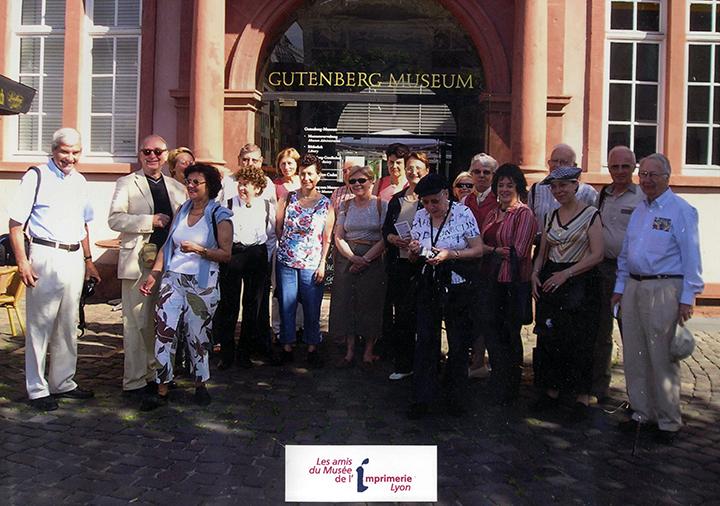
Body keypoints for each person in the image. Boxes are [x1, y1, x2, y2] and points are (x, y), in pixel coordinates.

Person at [7, 127, 100, 411]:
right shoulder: (36, 176)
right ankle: (37, 388)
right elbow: (15, 225)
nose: (69, 158)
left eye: (75, 153)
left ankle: (63, 382)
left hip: (73, 256)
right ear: (54, 150)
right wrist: (23, 261)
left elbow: (83, 224)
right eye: (64, 152)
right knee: (40, 325)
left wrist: (88, 260)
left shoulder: (81, 181)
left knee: (68, 324)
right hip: (45, 254)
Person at [612, 153, 703, 443]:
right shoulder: (639, 210)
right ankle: (642, 413)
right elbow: (626, 253)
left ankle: (667, 421)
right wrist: (619, 286)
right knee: (635, 355)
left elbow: (692, 256)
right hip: (634, 287)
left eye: (654, 175)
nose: (648, 180)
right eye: (644, 175)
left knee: (662, 357)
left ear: (667, 177)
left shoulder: (681, 211)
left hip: (664, 288)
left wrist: (688, 296)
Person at [139, 163, 232, 410]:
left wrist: (199, 249)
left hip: (202, 284)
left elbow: (226, 254)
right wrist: (155, 274)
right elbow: (168, 245)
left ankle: (200, 384)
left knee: (197, 336)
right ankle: (162, 387)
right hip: (173, 279)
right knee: (164, 332)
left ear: (209, 186)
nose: (190, 186)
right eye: (188, 181)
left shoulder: (219, 215)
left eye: (196, 182)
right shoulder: (181, 210)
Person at [108, 135, 188, 398]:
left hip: (169, 264)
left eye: (158, 151)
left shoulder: (177, 187)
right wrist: (149, 220)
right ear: (140, 154)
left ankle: (159, 374)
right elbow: (115, 219)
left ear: (166, 155)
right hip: (138, 263)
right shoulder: (126, 183)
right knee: (137, 322)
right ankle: (134, 381)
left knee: (164, 322)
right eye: (147, 151)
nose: (152, 156)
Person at [407, 173, 485, 419]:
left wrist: (451, 254)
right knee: (426, 341)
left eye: (434, 202)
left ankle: (456, 398)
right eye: (425, 202)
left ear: (446, 195)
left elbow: (478, 249)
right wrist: (414, 250)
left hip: (457, 284)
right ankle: (423, 398)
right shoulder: (420, 216)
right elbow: (414, 256)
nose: (430, 207)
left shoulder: (463, 214)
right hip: (429, 282)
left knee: (458, 343)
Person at [531, 166, 604, 421]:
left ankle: (581, 397)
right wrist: (534, 274)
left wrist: (567, 274)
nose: (559, 191)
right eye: (554, 187)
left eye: (564, 185)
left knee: (579, 339)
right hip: (552, 278)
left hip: (580, 280)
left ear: (576, 185)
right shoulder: (550, 215)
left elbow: (597, 254)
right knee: (551, 338)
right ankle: (551, 391)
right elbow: (543, 251)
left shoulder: (591, 214)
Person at [480, 164, 537, 404]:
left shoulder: (524, 214)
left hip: (511, 283)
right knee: (492, 333)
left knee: (510, 334)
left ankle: (511, 385)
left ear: (518, 188)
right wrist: (495, 250)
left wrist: (489, 250)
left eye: (509, 185)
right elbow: (479, 244)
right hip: (491, 281)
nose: (504, 189)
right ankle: (497, 379)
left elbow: (519, 251)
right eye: (500, 185)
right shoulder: (493, 213)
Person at [591, 146, 644, 401]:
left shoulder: (643, 197)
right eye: (615, 167)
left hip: (631, 273)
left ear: (634, 167)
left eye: (625, 166)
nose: (620, 171)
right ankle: (599, 388)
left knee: (631, 333)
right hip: (603, 269)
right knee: (600, 331)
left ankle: (638, 396)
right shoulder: (604, 195)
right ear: (609, 168)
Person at [213, 165, 276, 369]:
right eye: (240, 184)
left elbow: (272, 234)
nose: (242, 188)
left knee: (253, 306)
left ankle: (245, 353)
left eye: (246, 185)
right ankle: (227, 354)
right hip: (234, 254)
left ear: (257, 188)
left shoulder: (267, 206)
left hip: (257, 255)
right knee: (229, 305)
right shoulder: (227, 204)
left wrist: (265, 259)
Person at [275, 154, 335, 367]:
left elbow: (327, 237)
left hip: (311, 264)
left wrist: (322, 264)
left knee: (312, 308)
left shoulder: (326, 204)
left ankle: (312, 348)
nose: (306, 177)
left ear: (319, 176)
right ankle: (287, 347)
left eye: (310, 173)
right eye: (303, 173)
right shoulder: (287, 198)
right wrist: (288, 249)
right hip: (287, 263)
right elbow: (279, 227)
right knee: (286, 306)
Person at [331, 165, 388, 367]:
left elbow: (385, 238)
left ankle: (368, 351)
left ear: (372, 181)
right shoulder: (345, 206)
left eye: (361, 180)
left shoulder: (382, 205)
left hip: (372, 257)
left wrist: (366, 260)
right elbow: (338, 236)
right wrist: (353, 258)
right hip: (348, 256)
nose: (357, 185)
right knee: (347, 303)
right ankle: (349, 351)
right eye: (352, 181)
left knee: (370, 303)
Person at [382, 151, 430, 381]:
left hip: (424, 265)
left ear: (427, 170)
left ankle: (426, 364)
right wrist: (393, 239)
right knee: (402, 316)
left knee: (424, 317)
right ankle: (404, 364)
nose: (413, 171)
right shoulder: (397, 199)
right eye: (409, 167)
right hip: (400, 265)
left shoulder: (432, 199)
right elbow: (386, 231)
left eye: (418, 167)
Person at [463, 153, 498, 379]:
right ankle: (474, 361)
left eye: (486, 172)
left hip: (492, 268)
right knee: (471, 315)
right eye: (477, 171)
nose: (482, 176)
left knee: (489, 317)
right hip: (469, 266)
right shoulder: (466, 201)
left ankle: (482, 363)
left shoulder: (499, 199)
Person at [528, 144, 598, 242]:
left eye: (563, 162)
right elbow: (530, 223)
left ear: (574, 166)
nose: (558, 165)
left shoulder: (588, 193)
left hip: (575, 250)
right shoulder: (536, 189)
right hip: (543, 246)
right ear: (549, 163)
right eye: (555, 161)